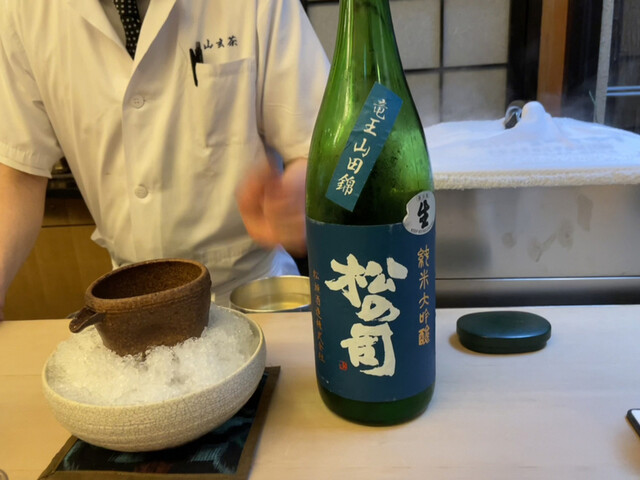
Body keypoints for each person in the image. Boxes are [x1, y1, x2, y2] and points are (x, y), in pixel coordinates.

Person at [0, 0, 330, 320]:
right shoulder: (20, 8)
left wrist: (301, 192)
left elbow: (326, 143)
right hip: (131, 296)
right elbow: (17, 170)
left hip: (251, 290)